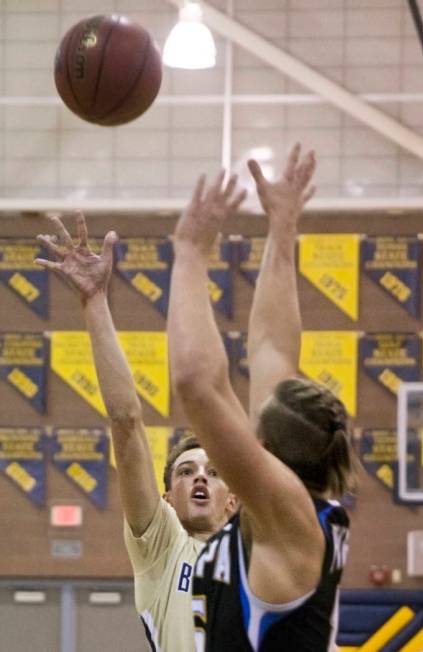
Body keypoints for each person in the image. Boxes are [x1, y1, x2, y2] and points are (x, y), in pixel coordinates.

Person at [168, 144, 357, 651]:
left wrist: (189, 254)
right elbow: (272, 345)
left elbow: (195, 381)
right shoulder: (295, 505)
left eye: (254, 426)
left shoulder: (285, 514)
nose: (244, 424)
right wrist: (282, 227)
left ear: (266, 453)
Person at [34, 204, 243, 652]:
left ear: (235, 500)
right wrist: (94, 302)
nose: (200, 476)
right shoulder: (162, 547)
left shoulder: (257, 552)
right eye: (185, 472)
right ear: (166, 499)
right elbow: (126, 422)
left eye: (212, 470)